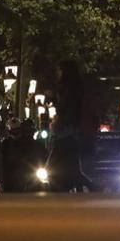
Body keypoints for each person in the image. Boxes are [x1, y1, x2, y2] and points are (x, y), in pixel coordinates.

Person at [47, 60, 91, 192]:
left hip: (67, 128)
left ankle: (65, 186)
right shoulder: (76, 86)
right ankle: (88, 185)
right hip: (72, 129)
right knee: (72, 164)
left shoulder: (67, 87)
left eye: (60, 70)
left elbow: (65, 107)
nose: (58, 73)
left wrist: (54, 101)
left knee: (54, 163)